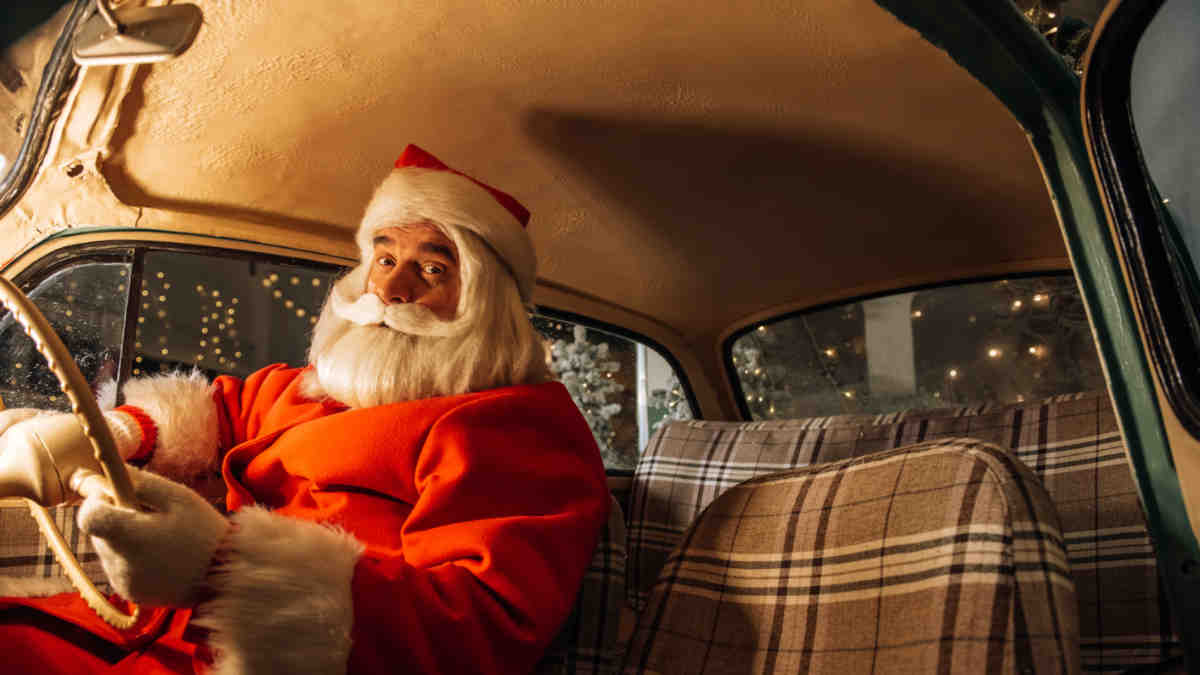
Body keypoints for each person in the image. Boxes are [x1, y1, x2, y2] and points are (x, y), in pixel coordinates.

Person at [0, 144, 611, 674]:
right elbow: (231, 409)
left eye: (432, 267)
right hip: (173, 636)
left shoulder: (518, 430)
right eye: (385, 256)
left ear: (487, 301)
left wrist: (222, 566)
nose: (392, 289)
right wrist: (115, 432)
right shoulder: (332, 382)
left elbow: (475, 629)